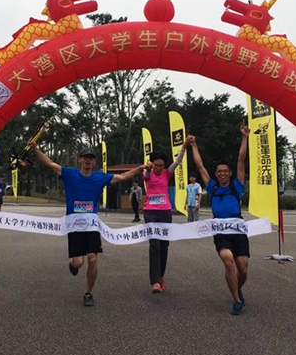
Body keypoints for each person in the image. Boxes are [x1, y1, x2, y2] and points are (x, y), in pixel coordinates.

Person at [31, 144, 146, 307]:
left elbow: (122, 177)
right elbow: (50, 164)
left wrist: (139, 169)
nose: (88, 161)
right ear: (80, 160)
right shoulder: (70, 174)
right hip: (74, 225)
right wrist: (35, 149)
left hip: (92, 225)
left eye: (91, 158)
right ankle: (73, 265)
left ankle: (88, 293)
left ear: (94, 162)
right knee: (79, 262)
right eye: (85, 158)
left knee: (92, 258)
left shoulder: (100, 177)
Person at [190, 124, 250, 316]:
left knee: (243, 269)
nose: (222, 173)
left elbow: (241, 159)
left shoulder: (237, 186)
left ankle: (237, 288)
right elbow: (200, 166)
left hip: (238, 230)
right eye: (219, 172)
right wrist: (194, 145)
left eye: (225, 171)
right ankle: (236, 300)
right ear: (216, 175)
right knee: (228, 261)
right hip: (220, 230)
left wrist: (244, 137)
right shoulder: (213, 187)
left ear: (230, 173)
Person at [142, 138, 191, 294]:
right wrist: (148, 168)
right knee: (154, 246)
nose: (159, 168)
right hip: (150, 213)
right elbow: (146, 172)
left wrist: (184, 146)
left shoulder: (166, 173)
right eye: (156, 165)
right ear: (152, 164)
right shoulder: (148, 174)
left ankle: (160, 276)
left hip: (165, 213)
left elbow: (177, 161)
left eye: (161, 165)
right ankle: (155, 282)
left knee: (164, 246)